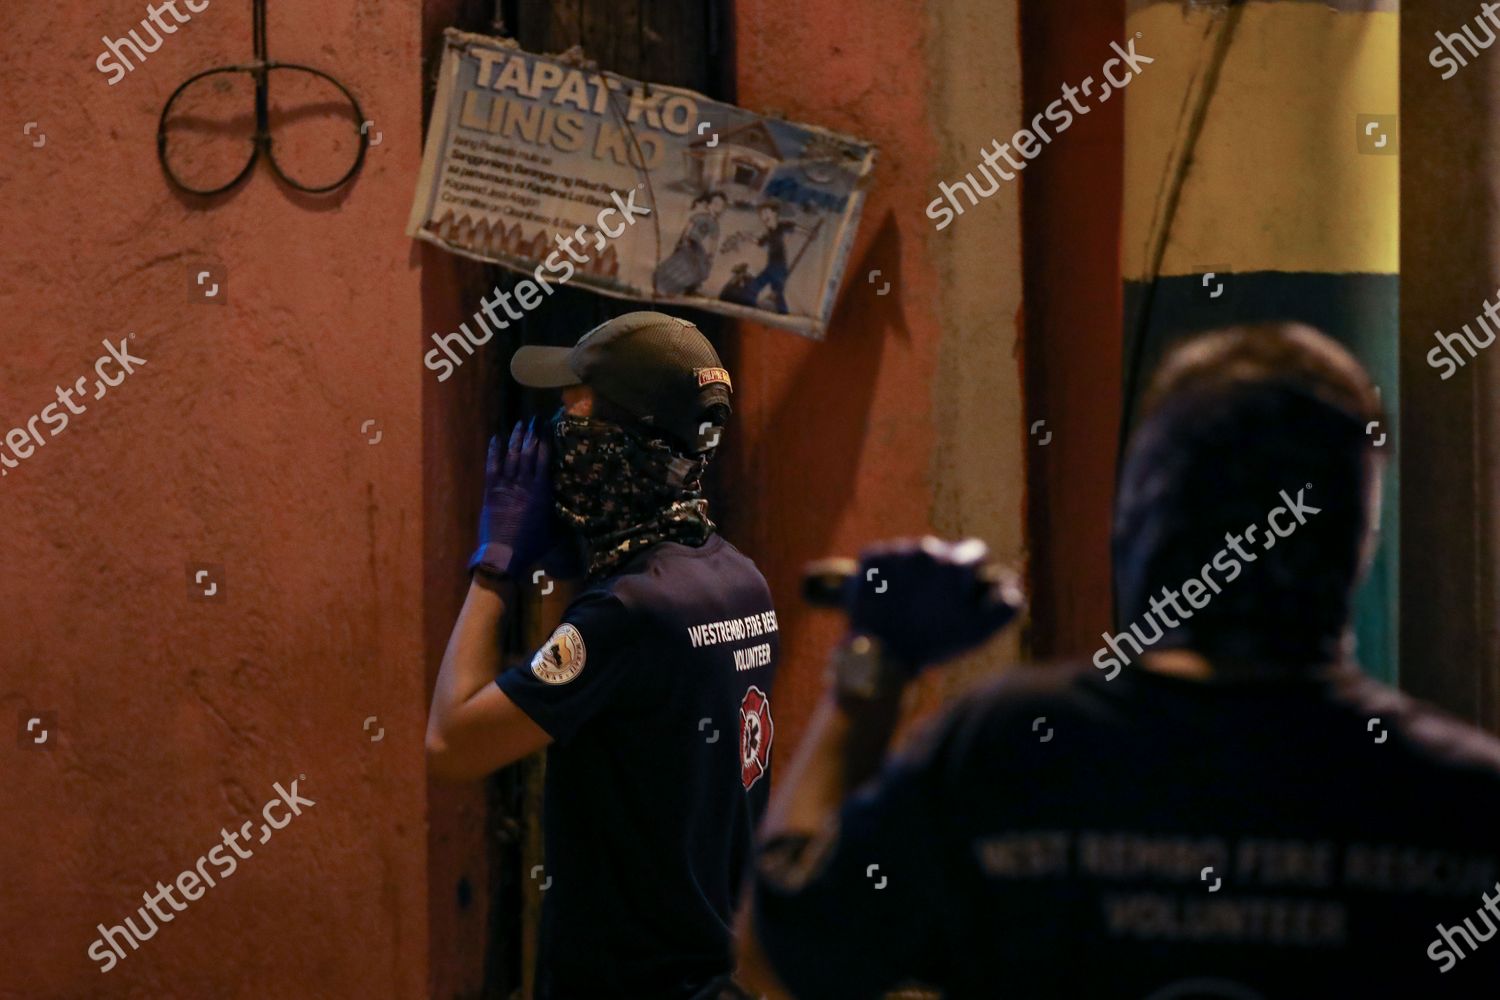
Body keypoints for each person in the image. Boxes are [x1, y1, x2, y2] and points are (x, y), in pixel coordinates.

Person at [746, 323, 1500, 998]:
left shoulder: (1006, 751)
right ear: (1355, 538)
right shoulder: (1464, 803)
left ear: (1145, 510)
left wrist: (877, 665)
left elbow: (787, 954)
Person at [426, 311, 780, 1000]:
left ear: (621, 438)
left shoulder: (632, 612)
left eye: (575, 405)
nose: (559, 423)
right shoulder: (737, 580)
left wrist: (494, 570)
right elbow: (587, 705)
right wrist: (565, 567)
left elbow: (452, 742)